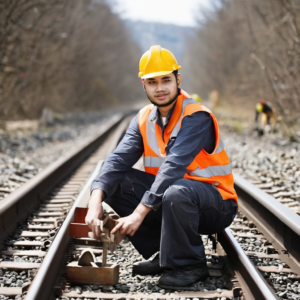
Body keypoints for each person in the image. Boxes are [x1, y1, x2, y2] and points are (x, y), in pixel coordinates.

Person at [85, 45, 238, 289]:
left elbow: (174, 166)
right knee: (115, 180)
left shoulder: (196, 115)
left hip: (215, 204)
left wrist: (139, 213)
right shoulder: (144, 117)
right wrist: (94, 201)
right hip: (171, 199)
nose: (160, 88)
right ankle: (166, 254)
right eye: (152, 82)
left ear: (178, 79)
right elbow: (117, 161)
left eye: (166, 80)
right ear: (143, 85)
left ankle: (190, 265)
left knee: (176, 191)